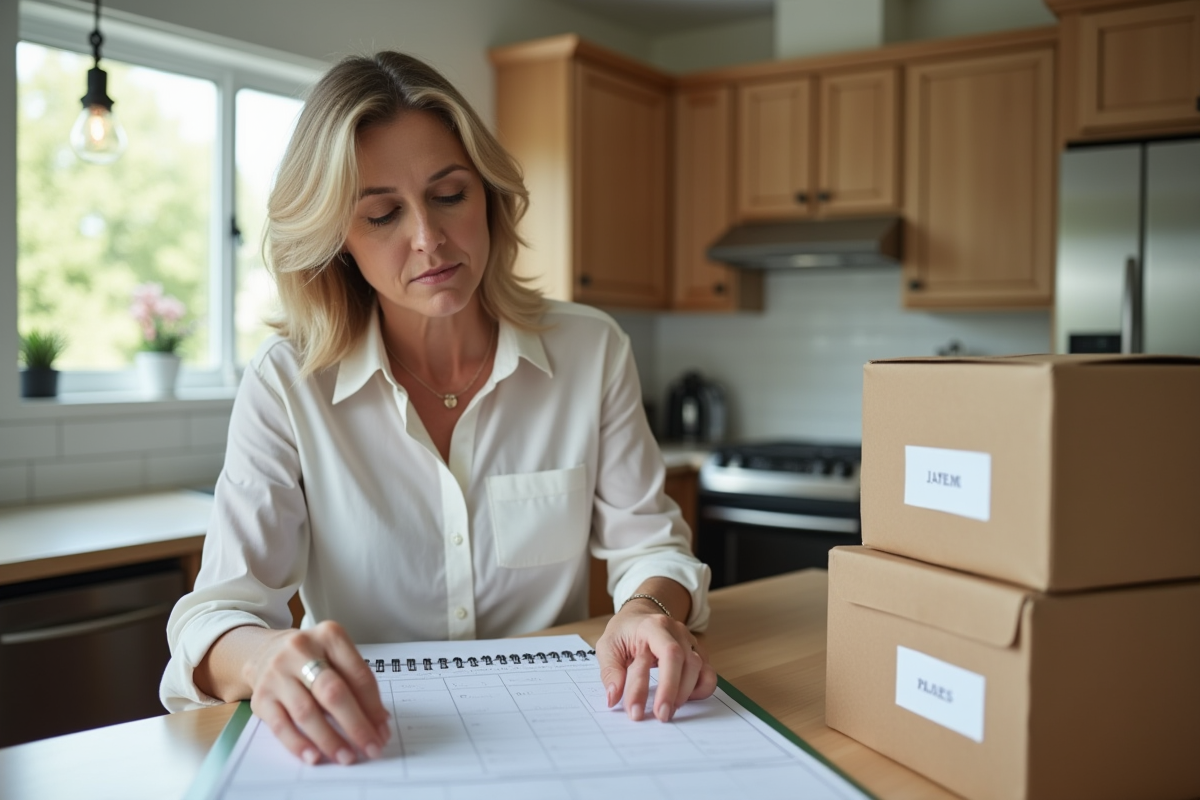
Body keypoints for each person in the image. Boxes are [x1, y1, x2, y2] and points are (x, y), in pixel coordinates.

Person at [159, 50, 715, 767]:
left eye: (449, 194)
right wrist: (267, 657)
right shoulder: (288, 384)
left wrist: (647, 609)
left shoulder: (591, 350)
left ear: (488, 195)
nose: (428, 238)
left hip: (571, 739)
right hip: (380, 750)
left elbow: (651, 546)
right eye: (383, 214)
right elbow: (217, 613)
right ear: (337, 243)